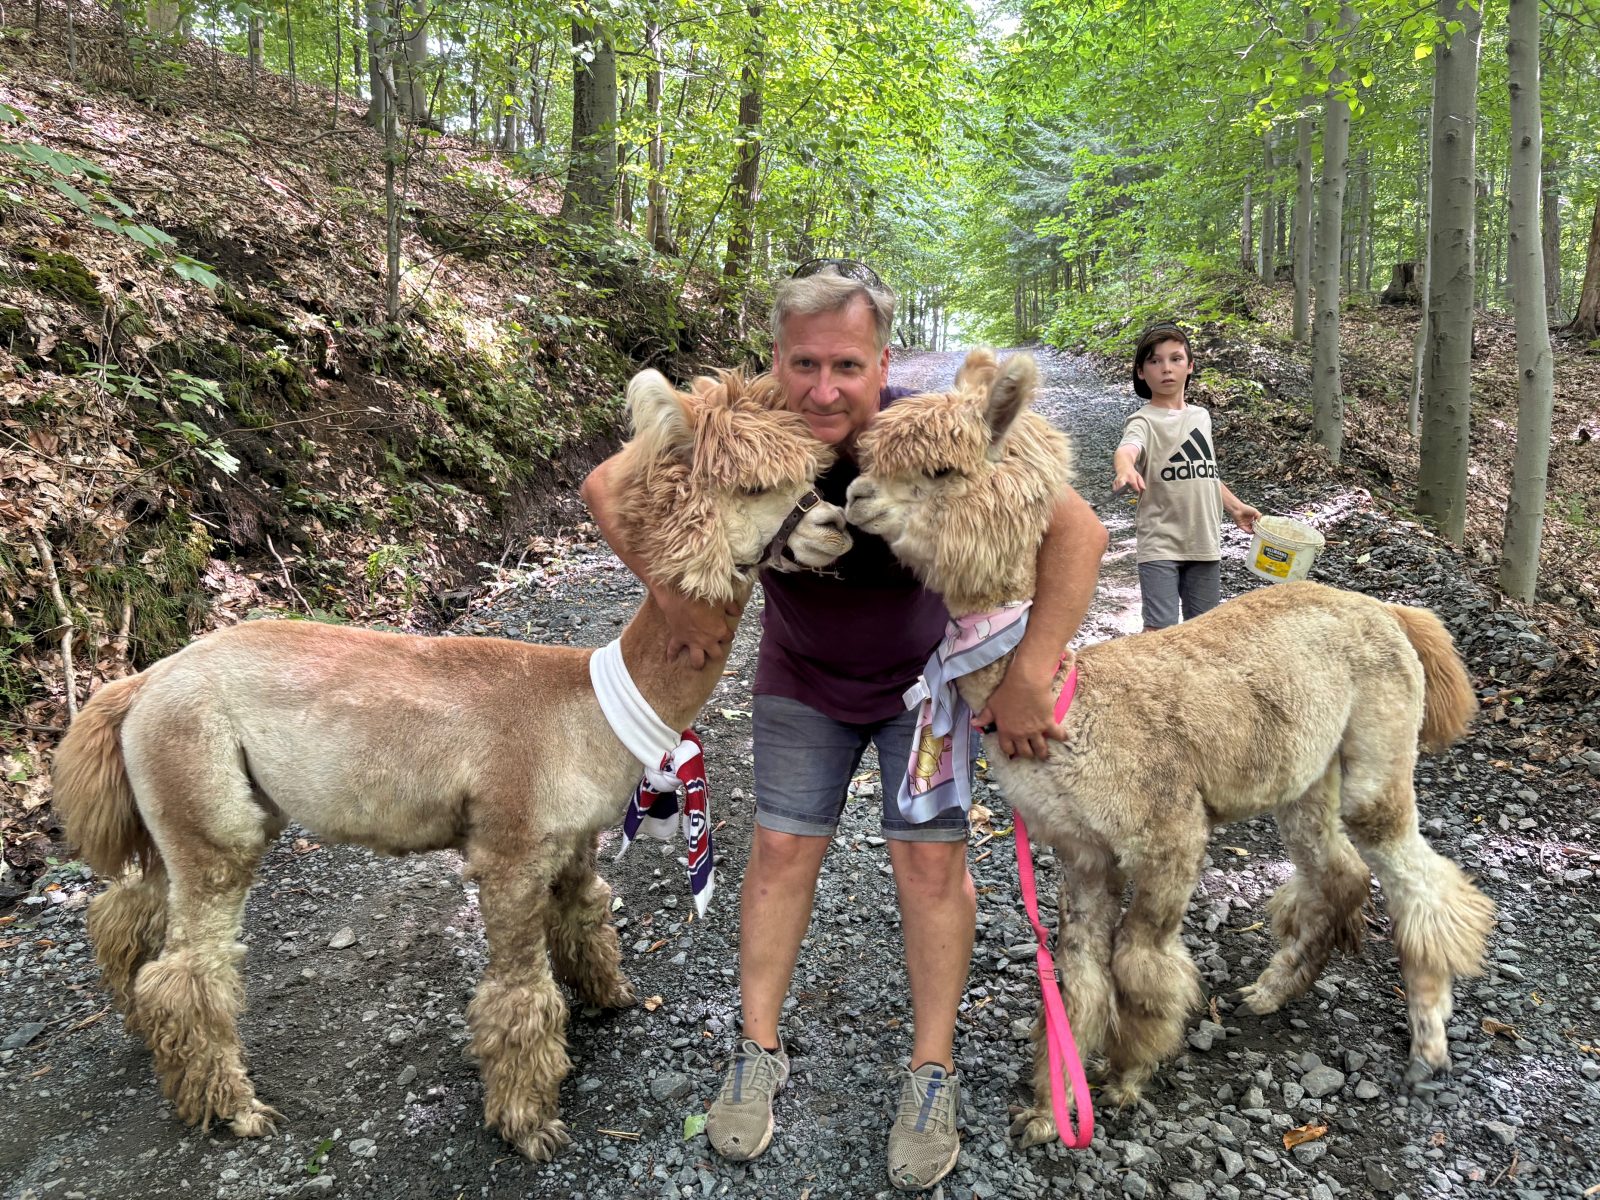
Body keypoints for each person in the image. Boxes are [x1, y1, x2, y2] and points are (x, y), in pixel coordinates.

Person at [581, 260, 1106, 1191]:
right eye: (805, 364)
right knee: (781, 854)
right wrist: (676, 601)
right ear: (776, 358)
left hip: (927, 689)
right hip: (800, 681)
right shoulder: (739, 431)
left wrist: (1029, 674)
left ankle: (931, 1071)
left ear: (883, 363)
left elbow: (1080, 534)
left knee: (932, 863)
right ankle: (756, 1051)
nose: (825, 390)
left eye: (848, 367)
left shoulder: (933, 430)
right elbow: (605, 489)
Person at [1111, 322, 1260, 632]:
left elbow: (1203, 472)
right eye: (1155, 361)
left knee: (1204, 633)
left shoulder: (1200, 417)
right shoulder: (1143, 420)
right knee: (1160, 633)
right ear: (1141, 371)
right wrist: (1125, 468)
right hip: (1160, 543)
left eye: (1176, 358)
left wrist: (1235, 508)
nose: (1166, 368)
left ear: (1190, 365)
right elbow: (1128, 448)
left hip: (1204, 542)